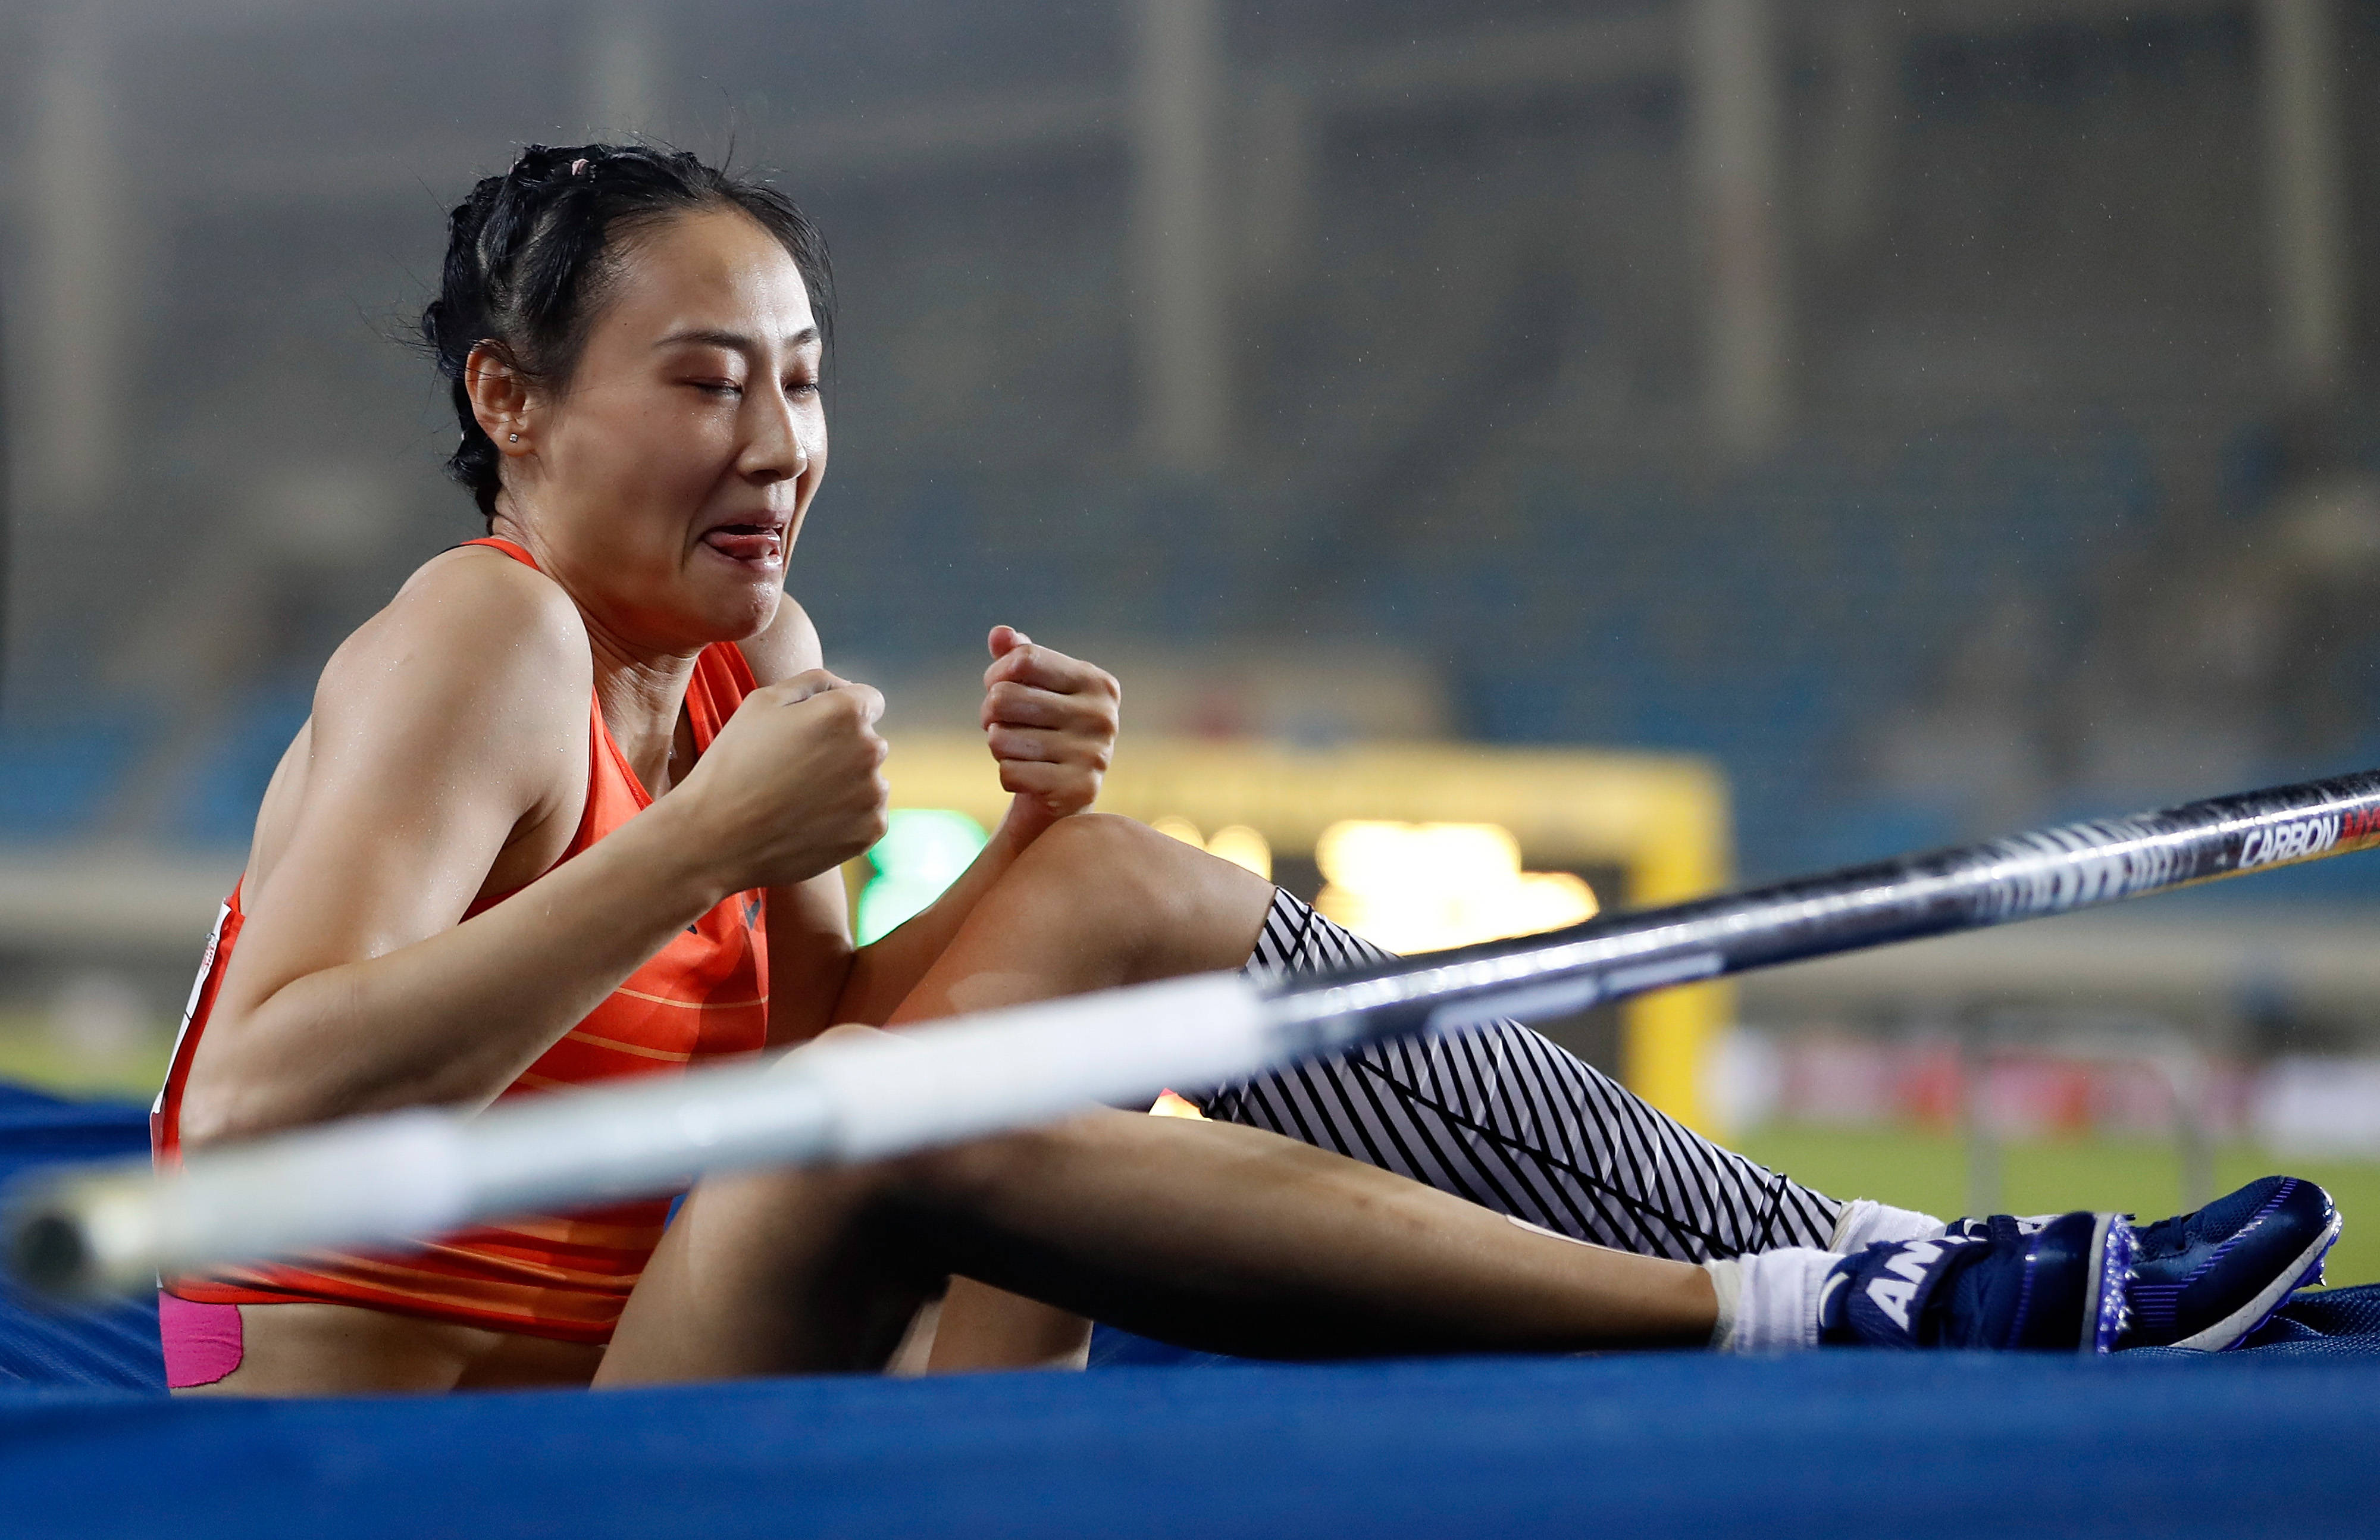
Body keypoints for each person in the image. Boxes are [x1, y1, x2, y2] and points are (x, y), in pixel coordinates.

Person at [151, 145, 2337, 1396]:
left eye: (806, 384)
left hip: (665, 1372)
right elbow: (252, 1112)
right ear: (510, 402)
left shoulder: (754, 664)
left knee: (1098, 906)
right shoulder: (486, 630)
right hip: (402, 1476)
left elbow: (780, 1075)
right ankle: (1774, 1308)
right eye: (708, 380)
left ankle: (1862, 1255)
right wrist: (707, 844)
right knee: (888, 1119)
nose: (781, 446)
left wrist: (1006, 863)